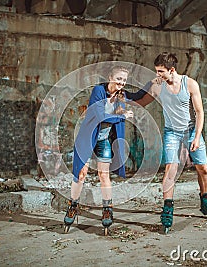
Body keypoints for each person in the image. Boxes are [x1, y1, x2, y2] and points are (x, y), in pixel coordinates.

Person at [127, 52, 207, 232]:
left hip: (192, 131)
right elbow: (141, 102)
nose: (157, 75)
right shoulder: (157, 86)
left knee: (203, 169)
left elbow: (200, 112)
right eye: (156, 71)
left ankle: (205, 202)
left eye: (160, 71)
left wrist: (196, 137)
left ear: (172, 70)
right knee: (171, 168)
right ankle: (168, 209)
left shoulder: (190, 84)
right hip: (172, 133)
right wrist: (122, 103)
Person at [63, 66, 134, 234]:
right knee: (81, 174)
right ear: (110, 77)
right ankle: (73, 205)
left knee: (104, 175)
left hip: (103, 140)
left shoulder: (121, 97)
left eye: (124, 80)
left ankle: (107, 208)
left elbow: (141, 96)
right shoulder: (98, 91)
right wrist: (122, 116)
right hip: (87, 138)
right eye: (118, 78)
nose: (121, 82)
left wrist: (155, 83)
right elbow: (100, 116)